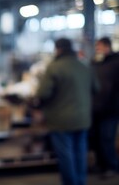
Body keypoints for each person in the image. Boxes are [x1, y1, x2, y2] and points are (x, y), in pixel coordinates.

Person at [33, 38, 99, 185]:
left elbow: (43, 93)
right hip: (83, 118)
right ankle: (81, 181)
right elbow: (96, 88)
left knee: (66, 154)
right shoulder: (85, 66)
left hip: (61, 120)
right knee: (81, 152)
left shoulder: (54, 67)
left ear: (58, 49)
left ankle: (71, 183)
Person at [90, 36, 119, 178]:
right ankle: (100, 164)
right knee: (96, 139)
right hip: (95, 108)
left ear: (107, 46)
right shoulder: (96, 64)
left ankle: (112, 166)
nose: (97, 49)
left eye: (99, 46)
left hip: (111, 108)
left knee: (107, 138)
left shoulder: (116, 63)